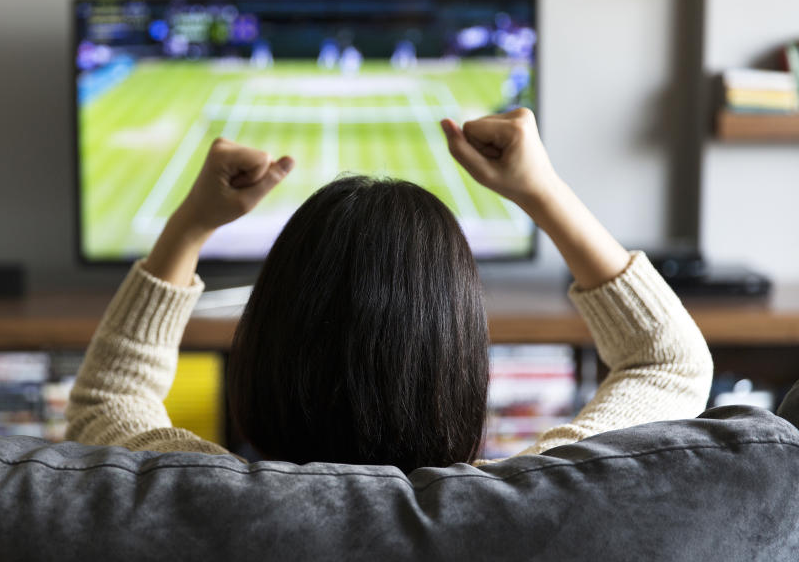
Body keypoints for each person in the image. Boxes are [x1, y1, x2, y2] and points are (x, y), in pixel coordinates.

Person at [65, 109, 713, 472]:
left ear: (261, 349)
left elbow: (108, 398)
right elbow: (667, 363)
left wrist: (191, 224)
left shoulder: (185, 497)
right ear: (461, 364)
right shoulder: (529, 500)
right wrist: (542, 192)